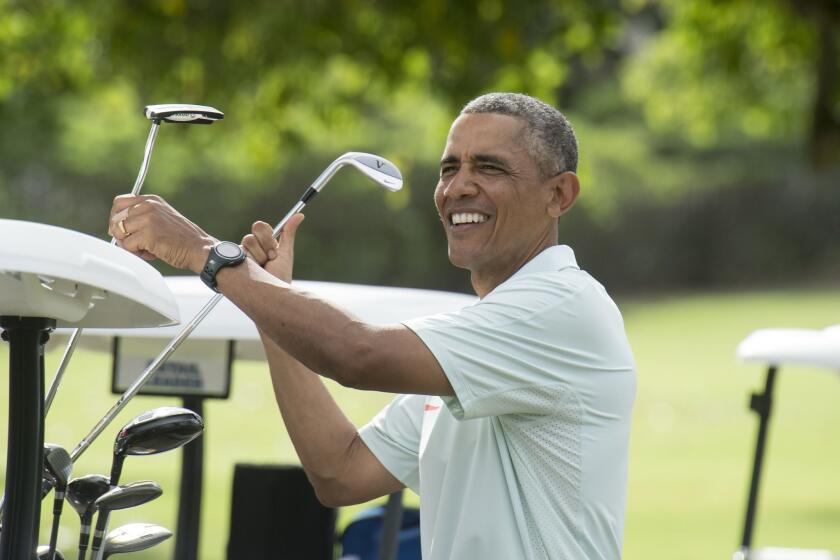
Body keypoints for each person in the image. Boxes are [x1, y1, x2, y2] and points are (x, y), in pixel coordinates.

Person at [108, 92, 636, 559]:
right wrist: (269, 306)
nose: (458, 188)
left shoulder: (560, 307)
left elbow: (356, 355)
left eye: (490, 168)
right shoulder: (481, 336)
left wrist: (206, 254)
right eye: (449, 168)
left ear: (559, 195)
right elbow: (342, 471)